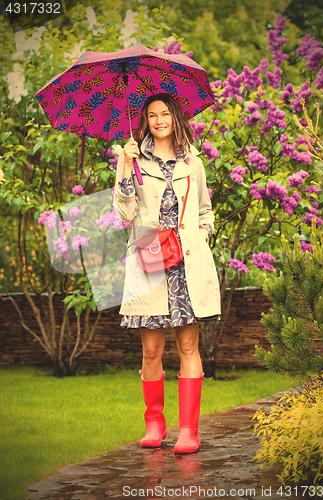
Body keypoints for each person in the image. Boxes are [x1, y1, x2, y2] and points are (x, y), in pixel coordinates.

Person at [114, 93, 220, 454]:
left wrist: (201, 233)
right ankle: (154, 423)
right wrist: (126, 167)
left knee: (188, 344)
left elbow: (205, 210)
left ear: (175, 117)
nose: (159, 120)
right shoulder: (132, 157)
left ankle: (189, 430)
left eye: (165, 114)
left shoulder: (194, 162)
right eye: (152, 115)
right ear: (145, 120)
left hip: (187, 264)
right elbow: (125, 213)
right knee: (151, 349)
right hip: (150, 259)